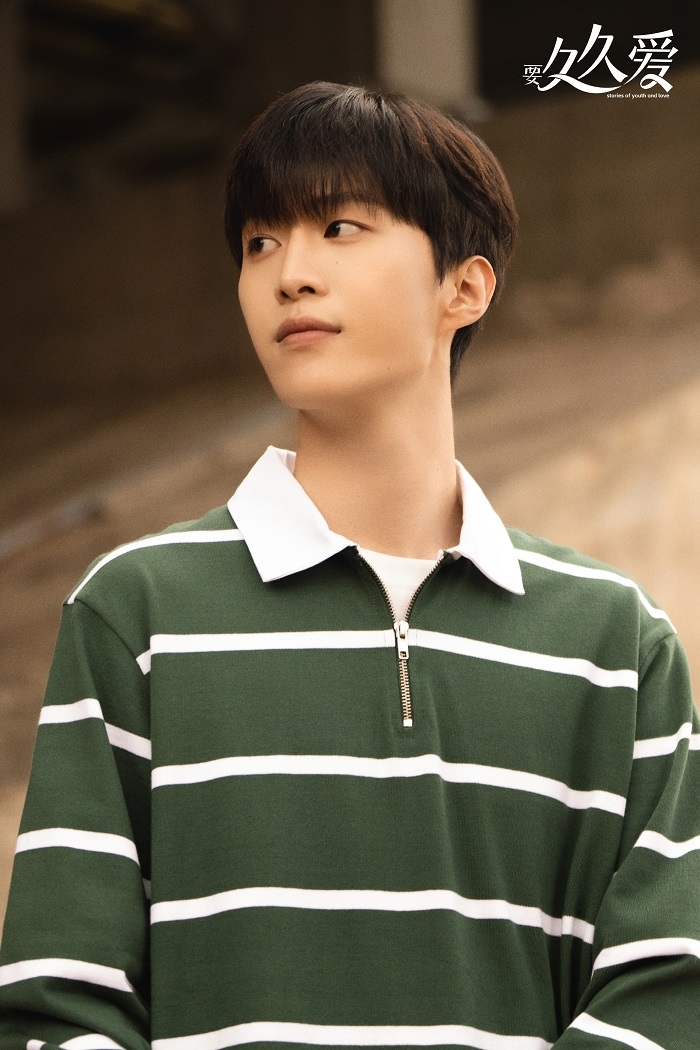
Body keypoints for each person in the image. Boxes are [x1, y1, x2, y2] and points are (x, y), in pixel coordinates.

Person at [0, 79, 698, 1050]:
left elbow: (667, 991)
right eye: (259, 243)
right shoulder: (137, 613)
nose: (289, 273)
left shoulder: (614, 644)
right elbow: (59, 998)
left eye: (338, 228)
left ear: (464, 287)